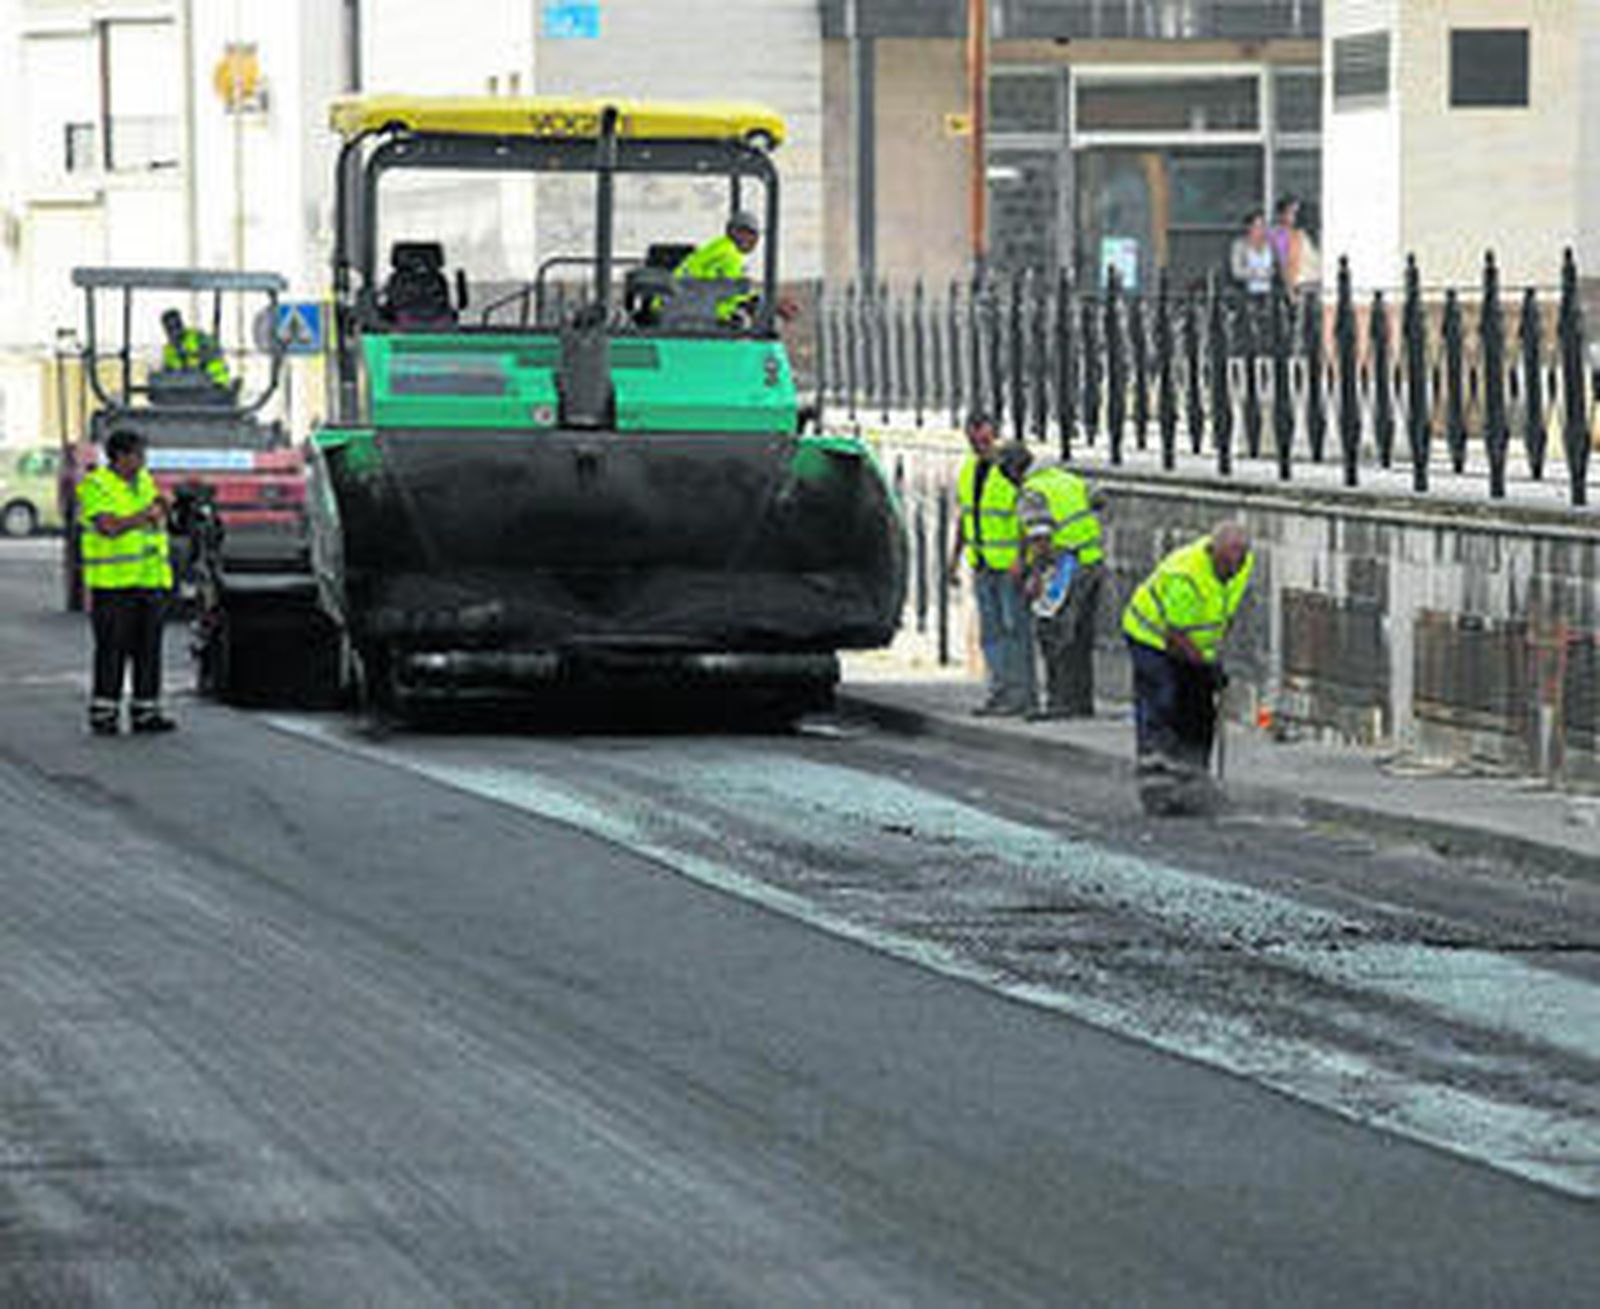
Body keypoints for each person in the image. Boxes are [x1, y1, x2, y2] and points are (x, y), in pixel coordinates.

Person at [1121, 522, 1254, 810]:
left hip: (1191, 645)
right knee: (1163, 699)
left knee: (1200, 707)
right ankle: (1156, 788)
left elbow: (1225, 610)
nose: (1233, 568)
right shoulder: (1185, 575)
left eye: (1239, 561)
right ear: (1213, 553)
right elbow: (1175, 637)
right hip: (1150, 639)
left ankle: (1193, 779)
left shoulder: (1242, 565)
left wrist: (1212, 661)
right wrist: (1207, 667)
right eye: (1227, 563)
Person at [78, 428, 177, 735]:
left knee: (149, 651)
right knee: (112, 650)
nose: (143, 461)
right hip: (114, 586)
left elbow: (155, 523)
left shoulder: (144, 483)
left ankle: (146, 712)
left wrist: (164, 508)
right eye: (138, 455)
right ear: (120, 457)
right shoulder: (96, 486)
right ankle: (104, 714)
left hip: (149, 583)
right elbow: (108, 526)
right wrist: (147, 514)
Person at [947, 416, 1034, 716]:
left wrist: (1022, 558)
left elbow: (1027, 518)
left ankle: (1020, 695)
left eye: (984, 441)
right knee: (992, 633)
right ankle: (999, 692)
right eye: (973, 441)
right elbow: (964, 517)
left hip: (1009, 565)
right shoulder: (969, 470)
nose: (979, 447)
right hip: (983, 564)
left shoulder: (1011, 471)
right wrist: (953, 559)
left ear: (995, 436)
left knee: (1015, 630)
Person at [1018, 459, 1105, 720]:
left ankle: (1060, 701)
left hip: (1065, 565)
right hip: (1092, 560)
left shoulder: (1033, 491)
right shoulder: (1069, 479)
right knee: (1081, 636)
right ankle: (1081, 701)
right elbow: (1100, 498)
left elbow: (1041, 538)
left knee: (1053, 631)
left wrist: (1035, 576)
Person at [160, 308, 231, 387]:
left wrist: (199, 356)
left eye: (176, 325)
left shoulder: (197, 336)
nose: (174, 331)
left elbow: (217, 352)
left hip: (215, 383)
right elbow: (168, 372)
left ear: (181, 324)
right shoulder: (168, 350)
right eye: (170, 327)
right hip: (190, 388)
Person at [1229, 210, 1275, 300]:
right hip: (1247, 293)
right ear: (1249, 227)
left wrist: (1271, 272)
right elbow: (1236, 272)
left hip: (1269, 293)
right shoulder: (1240, 245)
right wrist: (1256, 273)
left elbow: (1277, 267)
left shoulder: (1270, 245)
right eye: (1256, 227)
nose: (1260, 230)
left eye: (1263, 226)